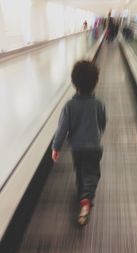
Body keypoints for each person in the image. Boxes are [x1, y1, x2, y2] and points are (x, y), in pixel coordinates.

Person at [51, 60, 106, 225]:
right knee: (92, 173)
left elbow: (62, 128)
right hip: (94, 146)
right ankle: (86, 200)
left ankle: (82, 192)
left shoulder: (69, 105)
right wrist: (98, 133)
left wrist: (56, 147)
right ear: (95, 83)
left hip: (76, 147)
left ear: (74, 83)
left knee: (80, 169)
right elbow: (103, 122)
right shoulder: (98, 104)